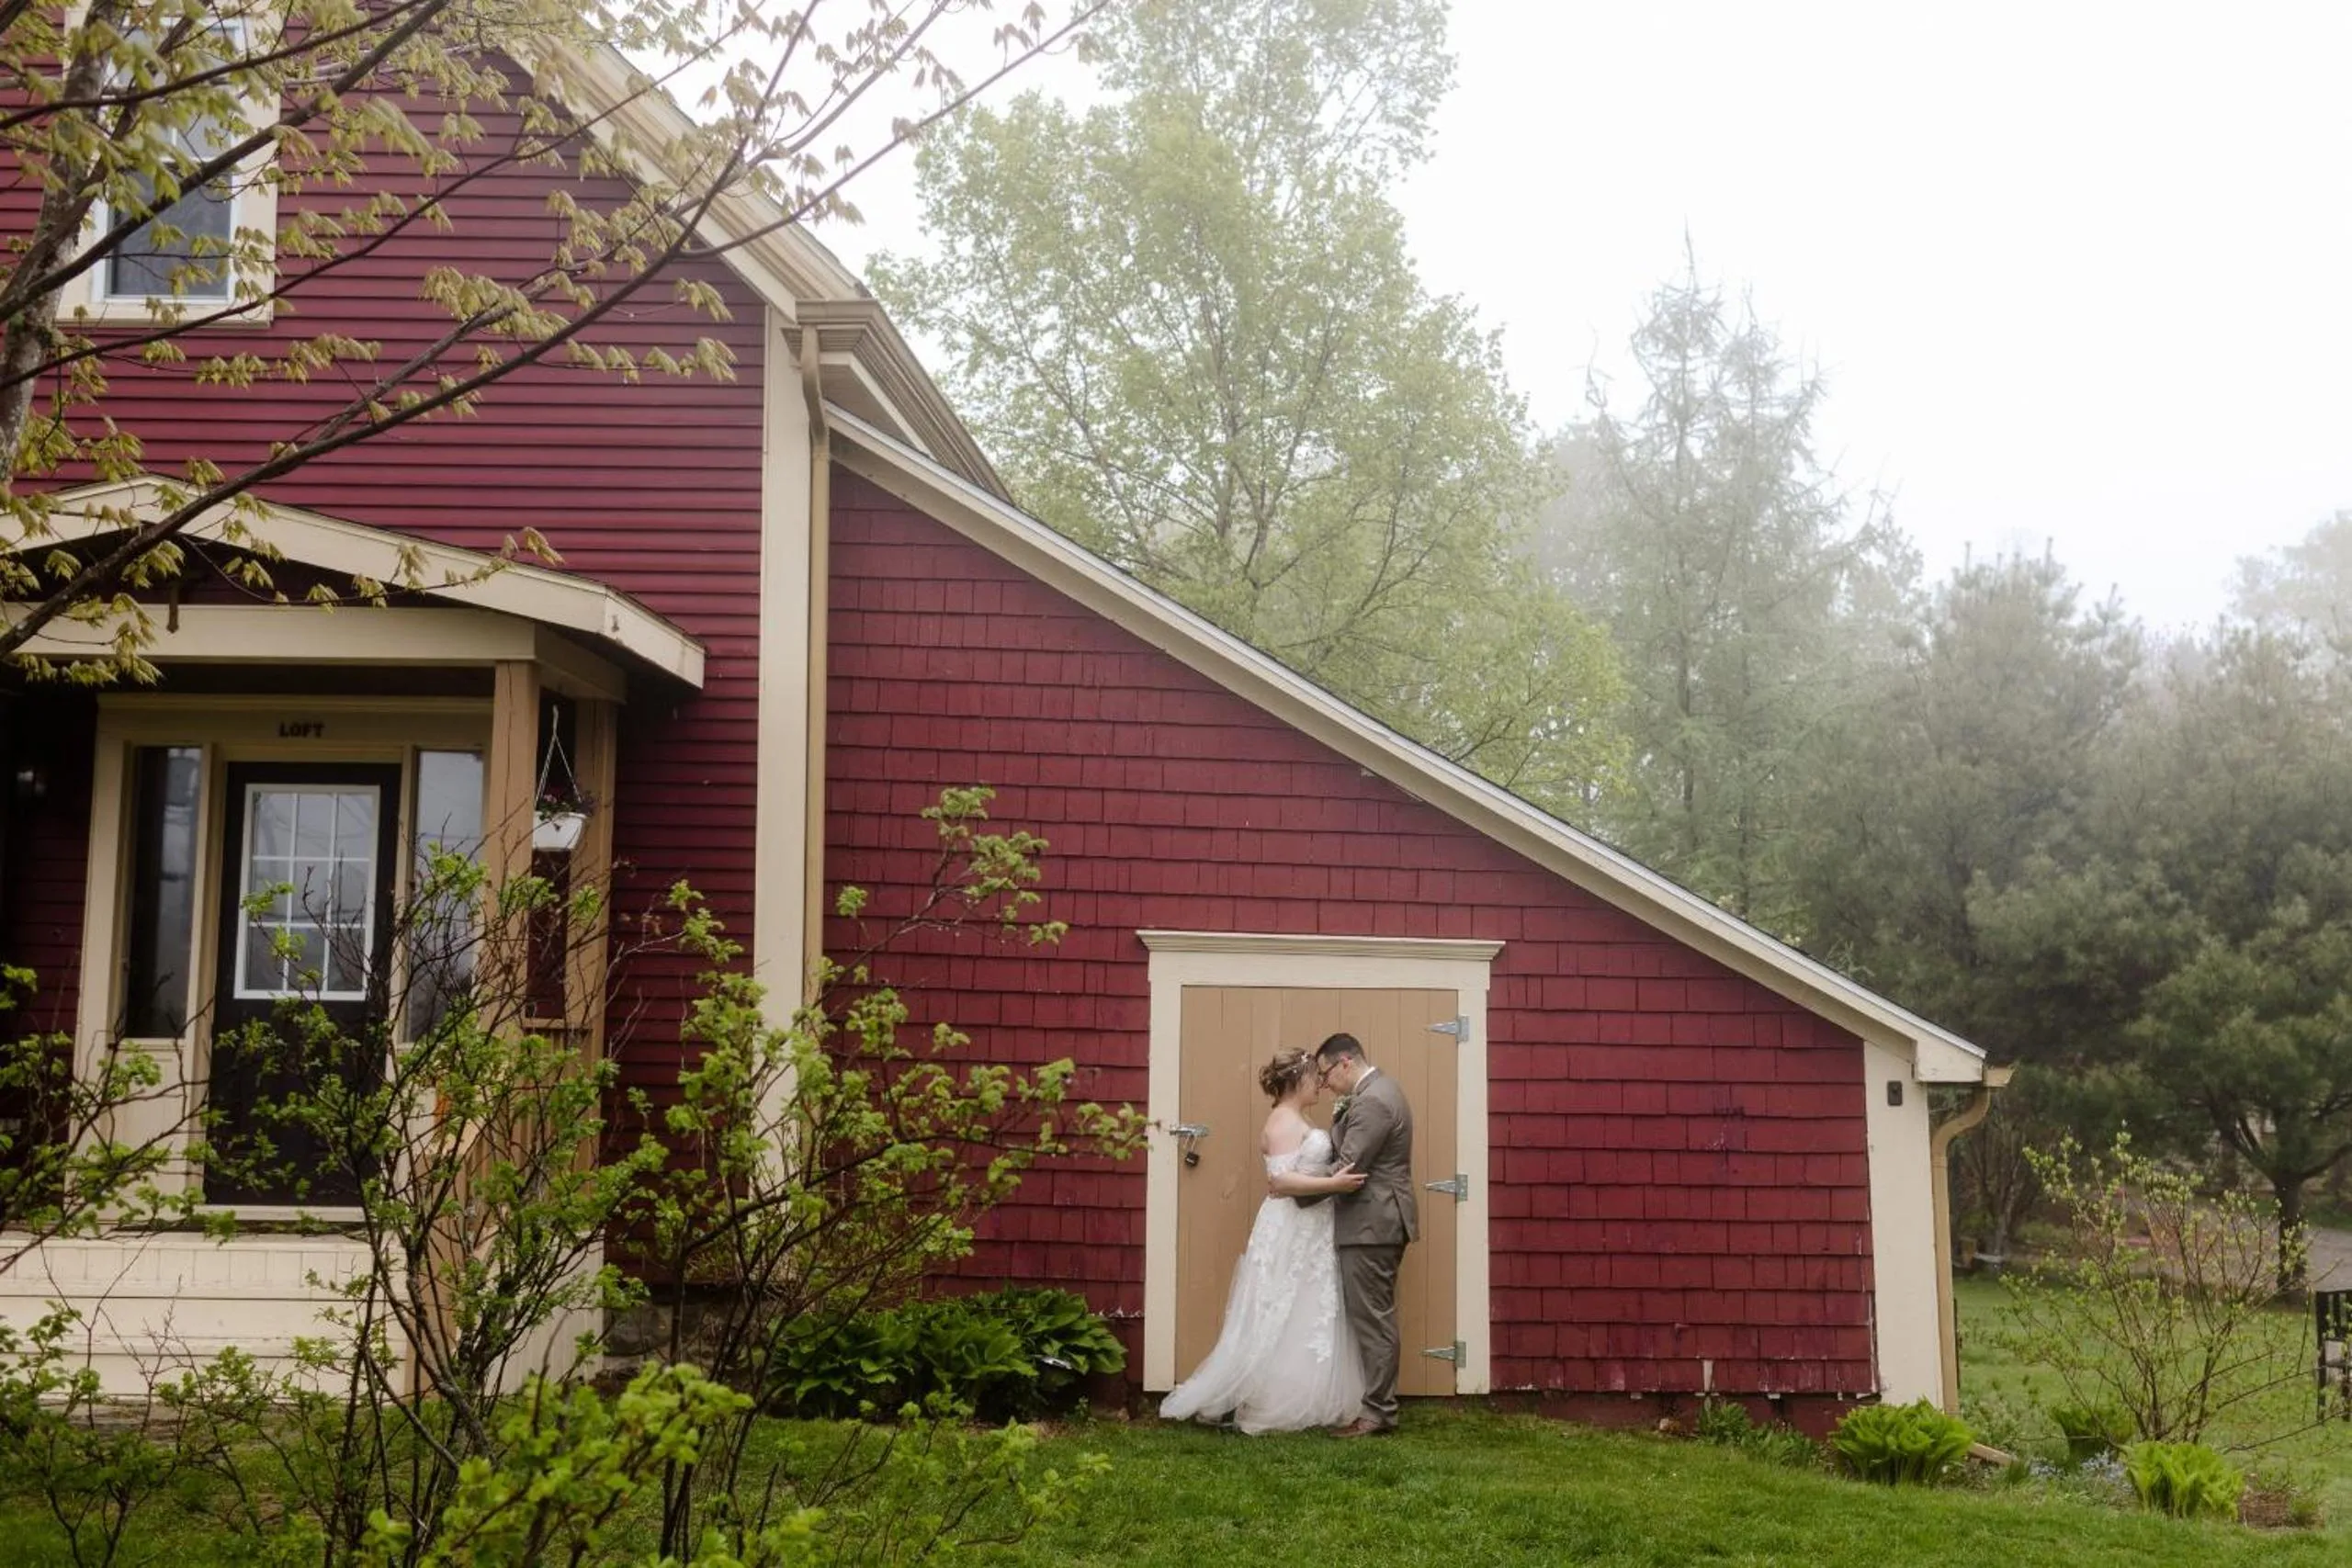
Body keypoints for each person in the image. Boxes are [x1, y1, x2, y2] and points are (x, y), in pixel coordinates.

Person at [1158, 1047, 1369, 1434]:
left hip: (1310, 1226)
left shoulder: (1297, 1118)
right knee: (1282, 1303)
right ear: (1296, 1082)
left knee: (1307, 1303)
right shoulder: (1284, 1121)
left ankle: (1307, 1391)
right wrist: (1334, 1184)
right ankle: (1267, 1396)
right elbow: (1281, 1182)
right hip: (1291, 1226)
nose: (1319, 1084)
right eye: (1313, 1078)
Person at [1285, 1032, 1415, 1437]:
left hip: (1372, 1224)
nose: (1324, 1085)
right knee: (1372, 1315)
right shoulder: (1377, 1091)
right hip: (1372, 1223)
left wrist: (1292, 1184)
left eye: (1325, 1074)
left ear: (1345, 1062)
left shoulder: (1374, 1100)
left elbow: (1349, 1169)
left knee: (1374, 1319)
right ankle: (1377, 1407)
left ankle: (1378, 1413)